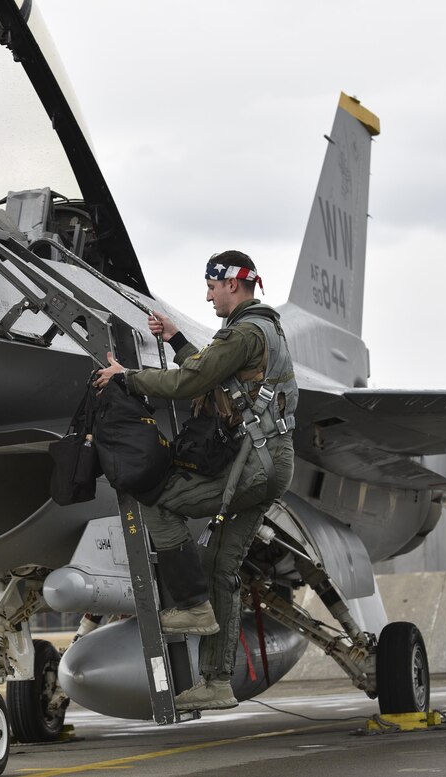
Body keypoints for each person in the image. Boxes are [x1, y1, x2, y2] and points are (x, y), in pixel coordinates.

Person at [94, 250, 297, 711]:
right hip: (271, 464)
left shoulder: (246, 331)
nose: (207, 295)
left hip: (253, 465)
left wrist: (129, 377)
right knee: (220, 569)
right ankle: (217, 681)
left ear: (232, 284)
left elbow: (191, 382)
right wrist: (177, 337)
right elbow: (214, 376)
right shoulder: (259, 330)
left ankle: (191, 606)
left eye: (211, 286)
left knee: (156, 497)